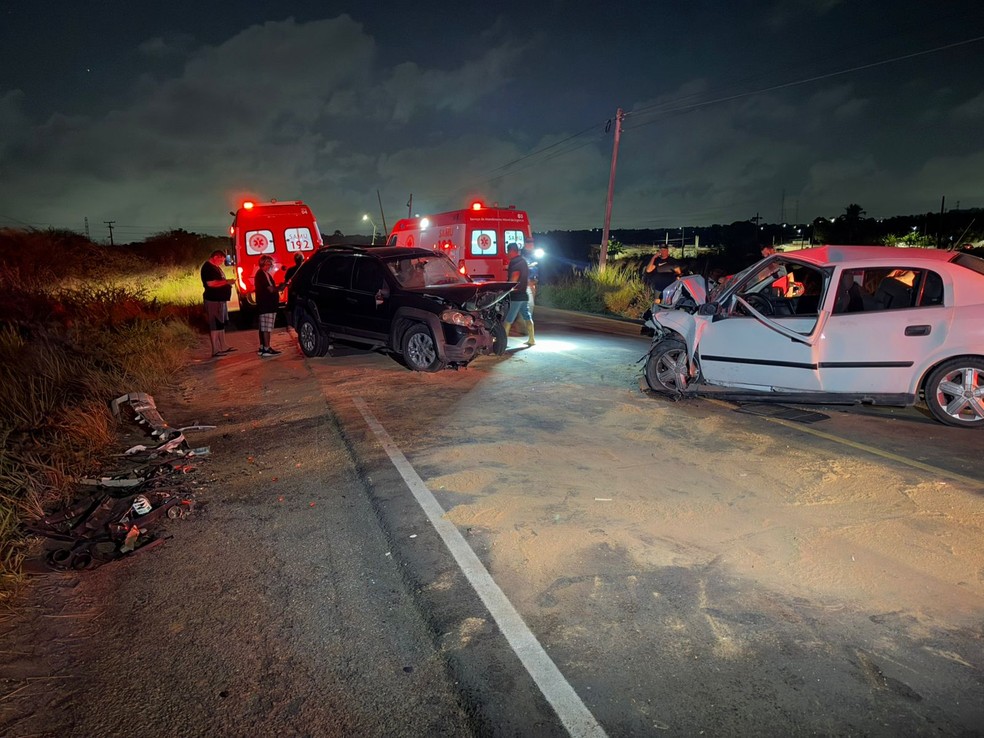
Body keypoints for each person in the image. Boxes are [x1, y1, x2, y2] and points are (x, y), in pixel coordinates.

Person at [201, 249, 236, 357]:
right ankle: (215, 350)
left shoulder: (215, 267)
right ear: (216, 257)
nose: (222, 262)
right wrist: (226, 282)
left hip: (220, 299)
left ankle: (223, 345)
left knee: (220, 323)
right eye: (221, 260)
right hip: (213, 300)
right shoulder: (208, 268)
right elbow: (211, 284)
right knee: (215, 324)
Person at [503, 243, 534, 346]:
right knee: (527, 316)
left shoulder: (515, 262)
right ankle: (532, 339)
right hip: (524, 294)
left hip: (516, 296)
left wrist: (507, 289)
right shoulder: (523, 261)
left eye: (508, 252)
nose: (507, 254)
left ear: (512, 251)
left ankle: (503, 342)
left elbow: (515, 277)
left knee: (508, 318)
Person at [254, 256, 284, 357]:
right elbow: (270, 289)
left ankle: (263, 347)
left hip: (265, 304)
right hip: (267, 305)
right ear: (263, 263)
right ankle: (267, 348)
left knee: (263, 327)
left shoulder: (263, 274)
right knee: (267, 327)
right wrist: (280, 287)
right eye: (269, 263)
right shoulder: (262, 274)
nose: (270, 265)